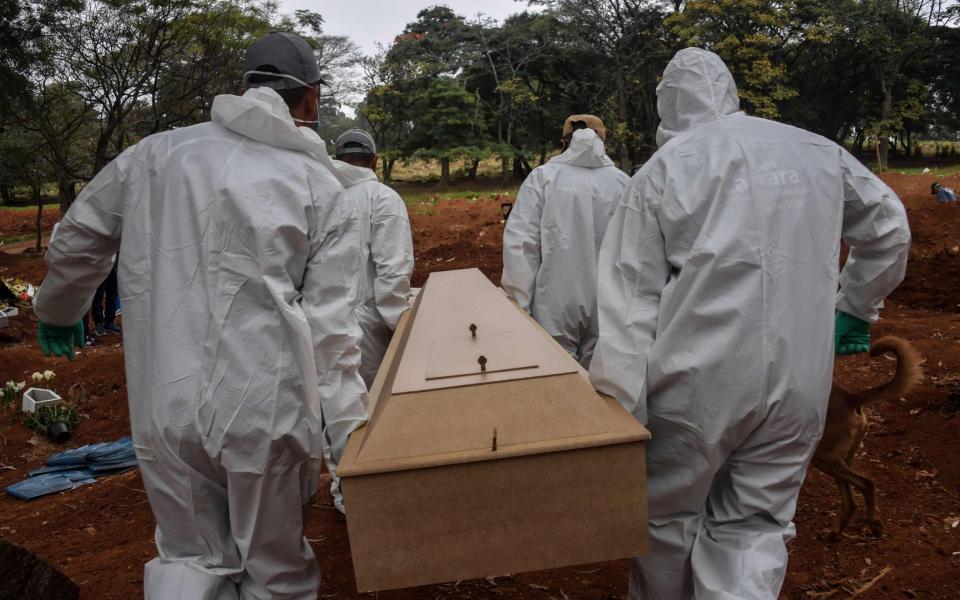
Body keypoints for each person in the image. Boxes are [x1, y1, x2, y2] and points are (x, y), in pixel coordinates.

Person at [33, 31, 368, 600]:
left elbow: (79, 237)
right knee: (276, 570)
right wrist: (350, 439)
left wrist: (61, 307)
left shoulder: (153, 156)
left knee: (188, 558)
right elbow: (332, 333)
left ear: (243, 89)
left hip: (167, 406)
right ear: (310, 100)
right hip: (266, 409)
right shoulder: (322, 185)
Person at [589, 48, 910, 600]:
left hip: (696, 383)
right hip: (801, 381)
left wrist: (621, 406)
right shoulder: (815, 150)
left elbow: (628, 299)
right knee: (756, 525)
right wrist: (855, 307)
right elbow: (888, 229)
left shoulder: (664, 169)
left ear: (667, 103)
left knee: (666, 519)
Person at [501, 115, 629, 368]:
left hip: (555, 301)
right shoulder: (624, 183)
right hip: (611, 301)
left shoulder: (543, 178)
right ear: (603, 141)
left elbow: (521, 245)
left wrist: (519, 307)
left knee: (559, 378)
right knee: (606, 385)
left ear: (564, 142)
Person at [332, 129, 414, 390]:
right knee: (369, 408)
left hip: (320, 325)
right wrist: (400, 327)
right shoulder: (383, 199)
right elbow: (393, 271)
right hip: (368, 330)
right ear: (375, 160)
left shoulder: (320, 197)